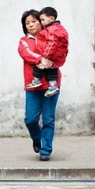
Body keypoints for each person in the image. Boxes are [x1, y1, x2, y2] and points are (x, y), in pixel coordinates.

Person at [17, 9, 62, 162]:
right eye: (27, 23)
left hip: (51, 85)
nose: (31, 25)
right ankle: (37, 139)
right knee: (30, 119)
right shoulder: (24, 41)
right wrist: (42, 59)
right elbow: (26, 54)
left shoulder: (51, 37)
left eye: (34, 21)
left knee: (48, 119)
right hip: (32, 86)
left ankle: (46, 149)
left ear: (41, 22)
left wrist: (52, 58)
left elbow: (60, 52)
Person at [31, 6, 69, 98]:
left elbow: (52, 43)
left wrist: (45, 56)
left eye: (43, 19)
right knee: (51, 70)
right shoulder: (60, 28)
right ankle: (53, 87)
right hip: (58, 56)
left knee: (39, 65)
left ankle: (36, 81)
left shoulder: (52, 29)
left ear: (51, 18)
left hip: (51, 55)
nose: (42, 22)